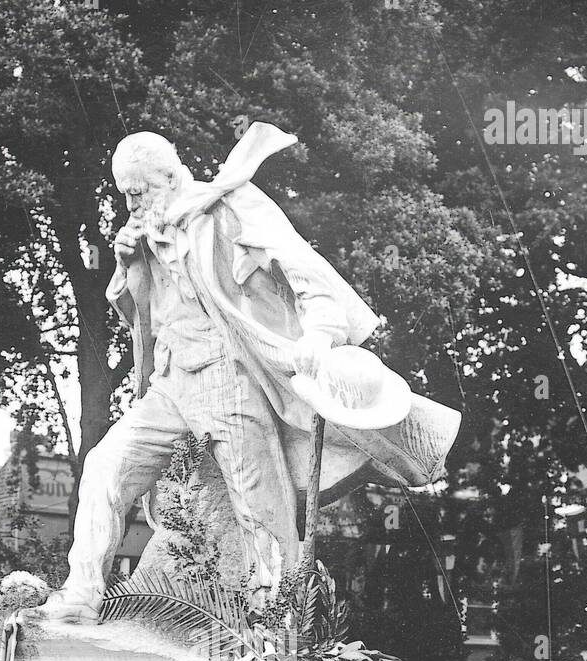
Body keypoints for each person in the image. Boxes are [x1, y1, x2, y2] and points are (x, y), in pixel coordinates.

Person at [35, 121, 460, 623]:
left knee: (257, 508)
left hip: (226, 380)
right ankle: (82, 594)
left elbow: (306, 271)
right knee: (106, 466)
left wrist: (319, 337)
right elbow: (145, 318)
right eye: (125, 195)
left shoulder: (229, 204)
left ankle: (276, 624)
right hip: (170, 383)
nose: (132, 205)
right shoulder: (147, 231)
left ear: (170, 176)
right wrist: (128, 267)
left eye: (139, 191)